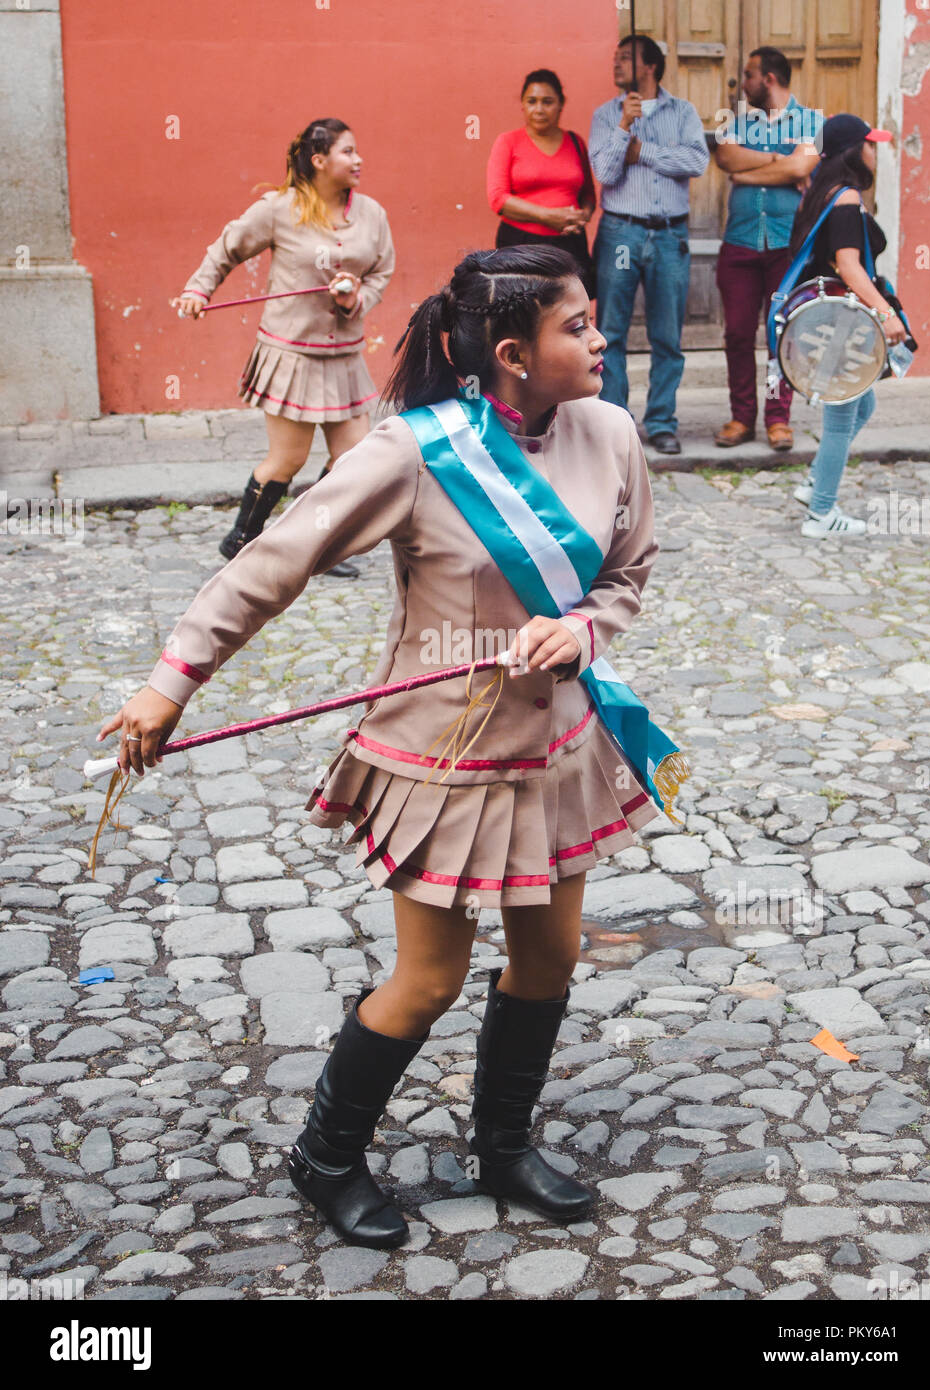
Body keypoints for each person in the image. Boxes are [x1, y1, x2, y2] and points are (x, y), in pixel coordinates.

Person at [97, 244, 666, 1250]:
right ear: (511, 352)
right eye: (575, 326)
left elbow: (625, 577)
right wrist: (168, 681)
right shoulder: (411, 452)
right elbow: (276, 562)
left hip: (557, 743)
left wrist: (580, 633)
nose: (600, 338)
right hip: (441, 758)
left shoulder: (612, 434)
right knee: (429, 978)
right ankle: (326, 1156)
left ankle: (502, 1143)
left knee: (552, 957)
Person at [172, 119, 395, 578]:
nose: (359, 160)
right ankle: (241, 541)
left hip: (345, 355)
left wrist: (356, 297)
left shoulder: (372, 213)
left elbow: (381, 272)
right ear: (319, 161)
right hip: (290, 355)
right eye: (348, 152)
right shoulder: (279, 209)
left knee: (354, 460)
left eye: (357, 151)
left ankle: (317, 547)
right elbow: (225, 249)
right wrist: (198, 291)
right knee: (288, 459)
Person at [785, 114, 905, 538]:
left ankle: (817, 482)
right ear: (856, 150)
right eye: (871, 144)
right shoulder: (847, 198)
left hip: (829, 317)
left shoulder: (821, 193)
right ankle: (821, 514)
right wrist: (887, 315)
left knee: (863, 404)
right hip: (840, 320)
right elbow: (850, 267)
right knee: (841, 417)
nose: (875, 152)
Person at [589, 33, 709, 455]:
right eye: (616, 56)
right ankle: (615, 423)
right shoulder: (606, 115)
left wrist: (645, 152)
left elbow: (696, 161)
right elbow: (604, 172)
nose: (616, 64)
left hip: (670, 234)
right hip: (622, 230)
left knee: (666, 335)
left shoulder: (684, 113)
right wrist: (624, 129)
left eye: (626, 57)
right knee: (612, 332)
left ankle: (661, 421)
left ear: (651, 66)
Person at [712, 47, 823, 451]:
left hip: (786, 247)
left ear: (769, 78)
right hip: (740, 241)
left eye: (749, 75)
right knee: (738, 334)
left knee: (782, 335)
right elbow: (726, 157)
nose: (744, 83)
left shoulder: (813, 122)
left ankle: (778, 419)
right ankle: (742, 417)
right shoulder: (736, 124)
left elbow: (801, 168)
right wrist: (778, 158)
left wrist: (750, 171)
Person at [486, 68, 597, 297]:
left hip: (569, 243)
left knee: (567, 311)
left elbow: (588, 195)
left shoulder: (575, 142)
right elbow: (498, 198)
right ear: (522, 105)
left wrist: (581, 217)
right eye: (532, 101)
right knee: (522, 311)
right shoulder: (508, 142)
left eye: (547, 102)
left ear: (561, 104)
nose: (539, 109)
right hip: (520, 243)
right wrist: (548, 217)